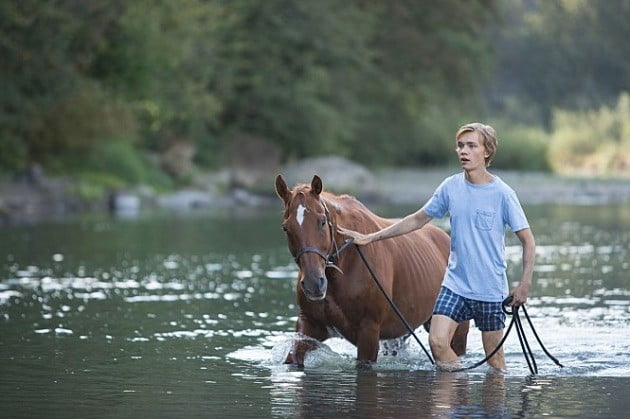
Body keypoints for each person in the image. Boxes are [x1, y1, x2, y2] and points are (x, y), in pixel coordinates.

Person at [338, 122, 536, 370]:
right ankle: (459, 390)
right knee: (438, 342)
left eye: (471, 146)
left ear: (486, 152)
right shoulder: (450, 187)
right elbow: (417, 219)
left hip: (491, 288)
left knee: (495, 361)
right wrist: (372, 237)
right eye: (461, 146)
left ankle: (491, 407)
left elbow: (528, 240)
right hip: (455, 285)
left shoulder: (503, 194)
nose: (463, 151)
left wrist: (524, 285)